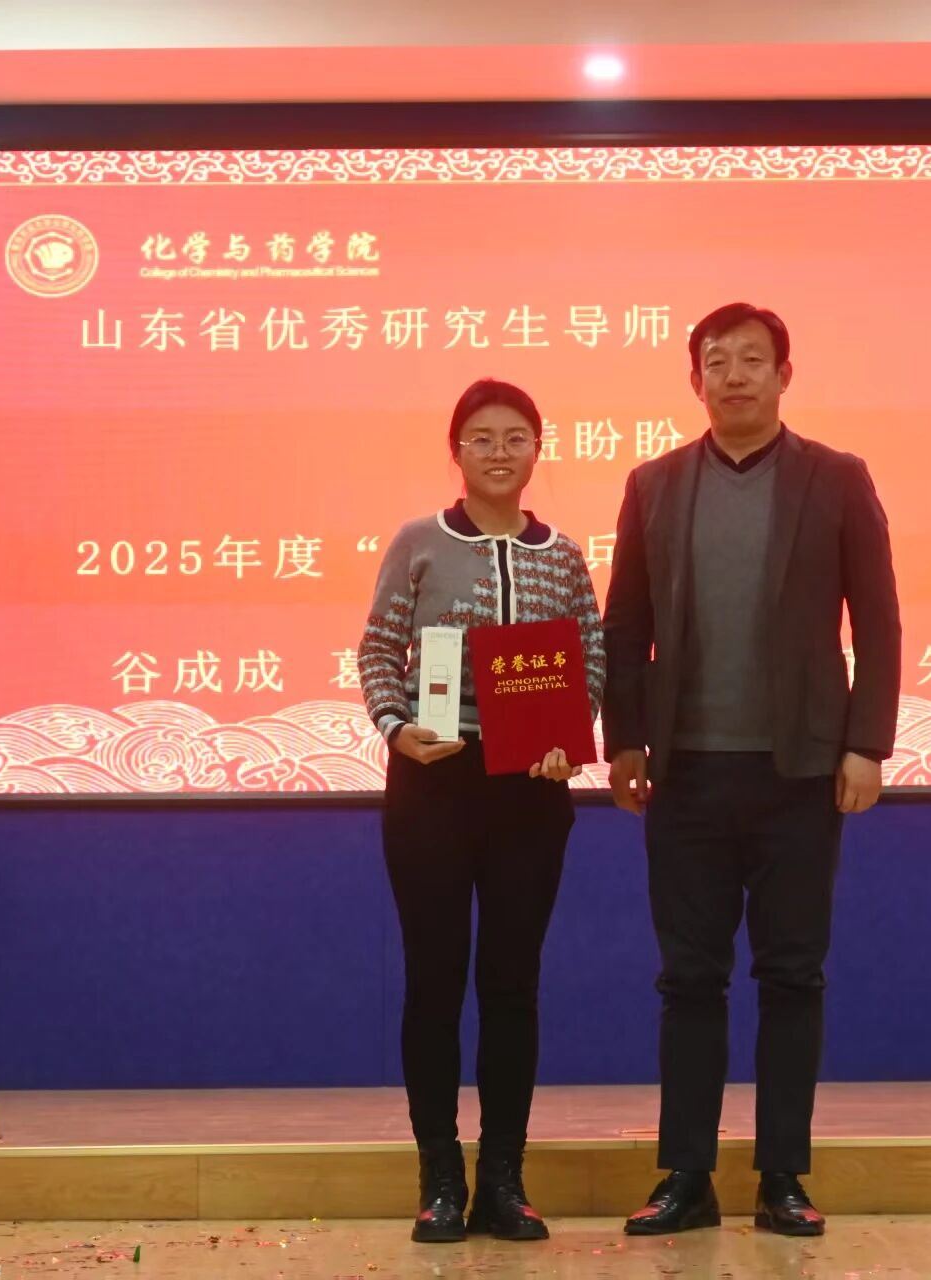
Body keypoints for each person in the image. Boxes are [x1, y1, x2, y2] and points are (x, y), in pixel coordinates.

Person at [602, 303, 901, 1237]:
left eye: (752, 361)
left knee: (792, 976)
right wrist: (624, 740)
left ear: (784, 375)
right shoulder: (654, 485)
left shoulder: (836, 478)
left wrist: (867, 743)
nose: (734, 376)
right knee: (688, 979)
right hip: (686, 774)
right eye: (716, 362)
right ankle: (687, 1175)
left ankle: (782, 1177)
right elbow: (625, 626)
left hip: (799, 773)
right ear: (695, 380)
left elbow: (878, 619)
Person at [357, 377, 606, 1244]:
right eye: (482, 439)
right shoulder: (419, 542)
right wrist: (398, 729)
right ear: (456, 451)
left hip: (529, 794)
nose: (500, 453)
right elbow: (379, 649)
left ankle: (503, 1177)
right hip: (433, 787)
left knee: (511, 985)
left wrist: (569, 738)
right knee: (433, 981)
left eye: (516, 438)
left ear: (538, 450)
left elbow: (591, 656)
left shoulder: (563, 556)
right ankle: (439, 1178)